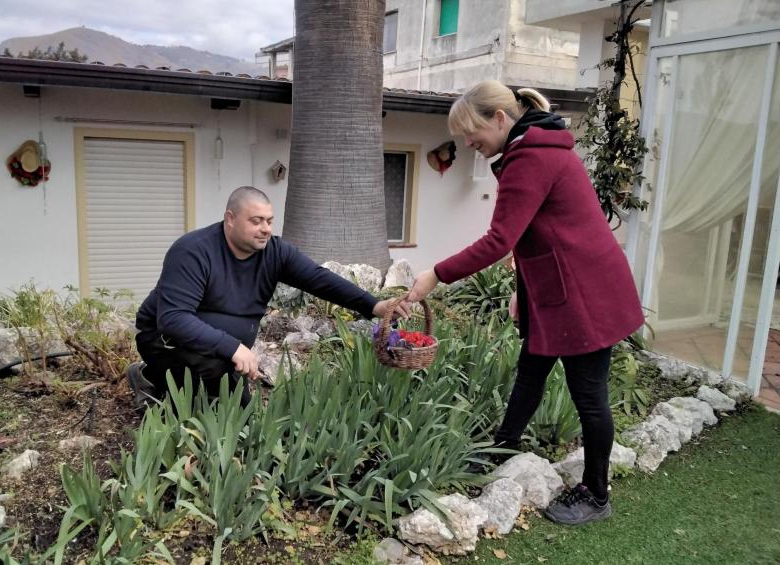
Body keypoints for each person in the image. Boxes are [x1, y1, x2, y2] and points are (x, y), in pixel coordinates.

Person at [406, 80, 644, 526]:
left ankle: (596, 493)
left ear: (499, 118)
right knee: (531, 371)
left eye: (471, 132)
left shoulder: (530, 156)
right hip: (559, 284)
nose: (468, 144)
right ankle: (504, 447)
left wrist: (436, 274)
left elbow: (500, 239)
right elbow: (543, 229)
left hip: (583, 292)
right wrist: (526, 287)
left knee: (589, 396)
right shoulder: (534, 148)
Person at [127, 185, 410, 408]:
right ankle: (150, 379)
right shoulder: (193, 251)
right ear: (230, 219)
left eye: (269, 221)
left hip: (219, 352)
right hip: (165, 342)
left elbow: (319, 280)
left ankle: (201, 385)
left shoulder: (274, 252)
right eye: (256, 221)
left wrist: (373, 305)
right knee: (200, 392)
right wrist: (233, 347)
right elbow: (173, 320)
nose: (265, 228)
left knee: (243, 415)